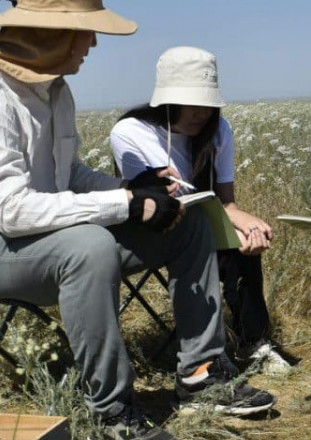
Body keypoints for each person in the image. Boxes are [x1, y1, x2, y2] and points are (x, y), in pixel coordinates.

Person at [0, 0, 274, 440]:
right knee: (88, 247)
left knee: (187, 219)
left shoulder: (55, 91)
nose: (92, 43)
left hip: (48, 238)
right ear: (53, 34)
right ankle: (109, 415)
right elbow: (9, 211)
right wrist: (127, 204)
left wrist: (137, 188)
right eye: (86, 31)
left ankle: (201, 372)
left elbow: (69, 176)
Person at [110, 47, 291, 375]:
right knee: (226, 239)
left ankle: (254, 341)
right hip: (152, 227)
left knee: (245, 243)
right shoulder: (131, 132)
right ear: (168, 100)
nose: (204, 112)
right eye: (194, 102)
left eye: (209, 103)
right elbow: (167, 202)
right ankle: (215, 354)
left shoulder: (219, 131)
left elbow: (226, 202)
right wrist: (231, 228)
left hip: (196, 225)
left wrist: (247, 223)